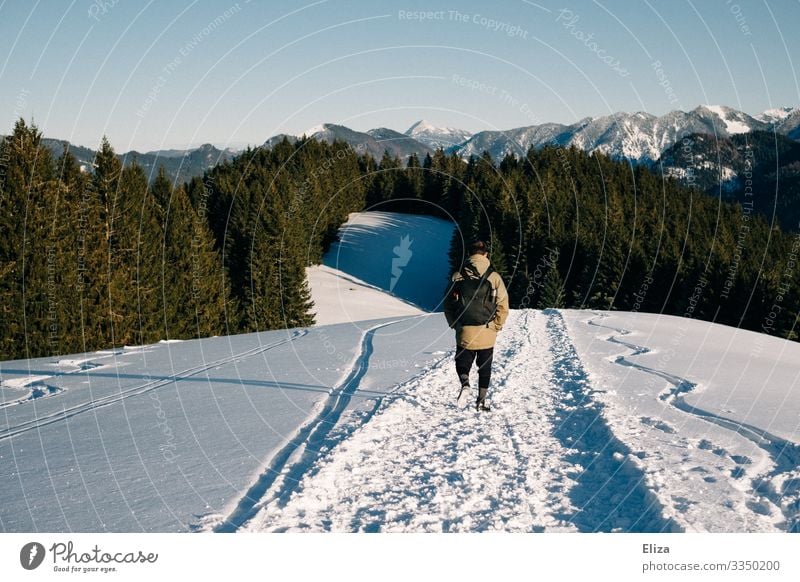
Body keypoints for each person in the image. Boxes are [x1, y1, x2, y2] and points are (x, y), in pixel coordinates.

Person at [444, 240, 509, 411]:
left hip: (465, 329)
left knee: (462, 361)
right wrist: (496, 326)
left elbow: (447, 304)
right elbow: (503, 306)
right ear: (486, 254)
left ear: (470, 255)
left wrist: (454, 324)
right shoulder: (494, 277)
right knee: (485, 366)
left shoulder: (457, 276)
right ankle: (481, 400)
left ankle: (465, 383)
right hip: (487, 330)